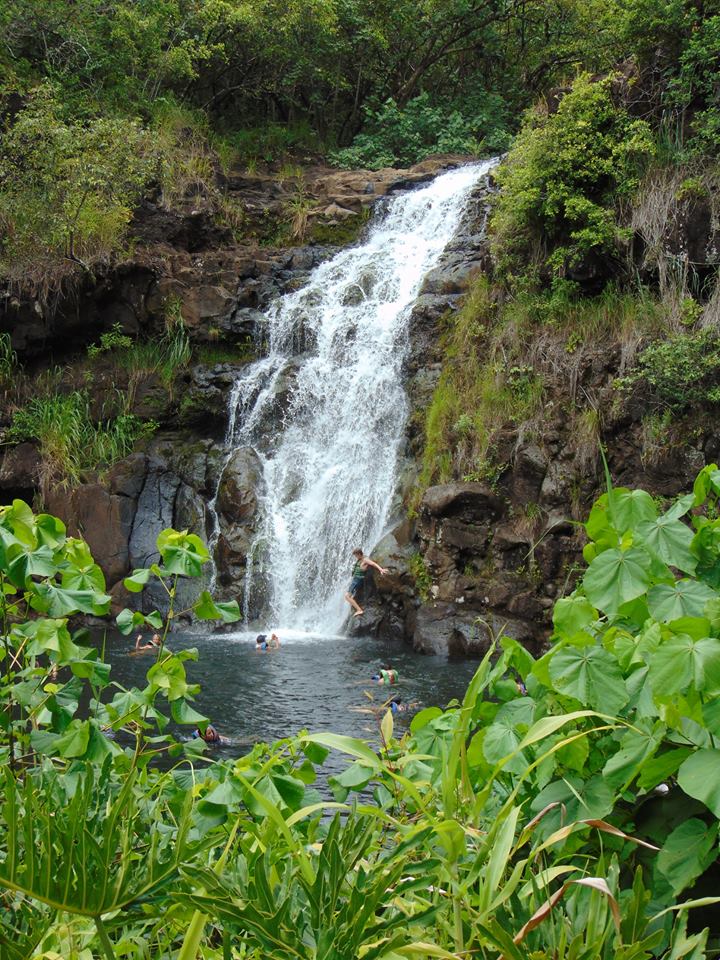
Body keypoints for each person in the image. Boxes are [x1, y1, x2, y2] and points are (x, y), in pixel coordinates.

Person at [344, 547, 388, 617]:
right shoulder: (360, 559)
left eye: (355, 555)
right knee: (348, 595)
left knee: (347, 596)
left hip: (357, 580)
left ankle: (359, 610)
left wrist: (381, 570)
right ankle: (358, 608)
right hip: (355, 580)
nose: (355, 557)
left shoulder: (365, 560)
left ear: (359, 554)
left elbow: (373, 564)